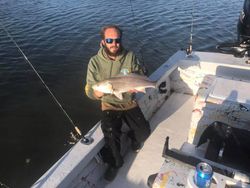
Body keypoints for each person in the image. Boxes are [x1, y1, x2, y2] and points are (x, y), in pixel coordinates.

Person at [85, 25, 151, 181]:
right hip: (109, 104)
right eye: (109, 40)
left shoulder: (130, 56)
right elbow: (89, 90)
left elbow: (140, 73)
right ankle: (115, 163)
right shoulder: (94, 62)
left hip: (129, 101)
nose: (114, 44)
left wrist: (138, 83)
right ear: (103, 42)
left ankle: (133, 137)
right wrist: (97, 92)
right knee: (110, 134)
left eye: (117, 40)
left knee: (144, 133)